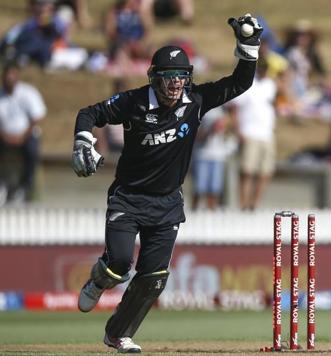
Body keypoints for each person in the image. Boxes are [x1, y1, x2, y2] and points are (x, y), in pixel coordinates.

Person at [71, 14, 262, 353]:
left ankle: (118, 334)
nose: (176, 84)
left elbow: (239, 83)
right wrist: (83, 141)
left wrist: (248, 47)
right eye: (169, 77)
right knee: (118, 263)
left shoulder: (196, 102)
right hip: (128, 199)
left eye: (182, 77)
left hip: (167, 203)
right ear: (154, 78)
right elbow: (89, 112)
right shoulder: (134, 102)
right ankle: (99, 279)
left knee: (153, 279)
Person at [228, 59, 277, 211]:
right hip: (249, 132)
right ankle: (243, 204)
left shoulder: (271, 85)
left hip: (267, 134)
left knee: (265, 172)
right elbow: (234, 108)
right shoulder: (249, 84)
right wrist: (238, 130)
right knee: (247, 171)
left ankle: (254, 203)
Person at [0, 62, 46, 204]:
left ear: (17, 76)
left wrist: (22, 136)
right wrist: (5, 136)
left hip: (27, 135)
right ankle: (2, 186)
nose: (10, 78)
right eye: (7, 75)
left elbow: (37, 118)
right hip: (4, 136)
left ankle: (26, 187)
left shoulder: (28, 93)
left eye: (13, 74)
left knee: (32, 151)